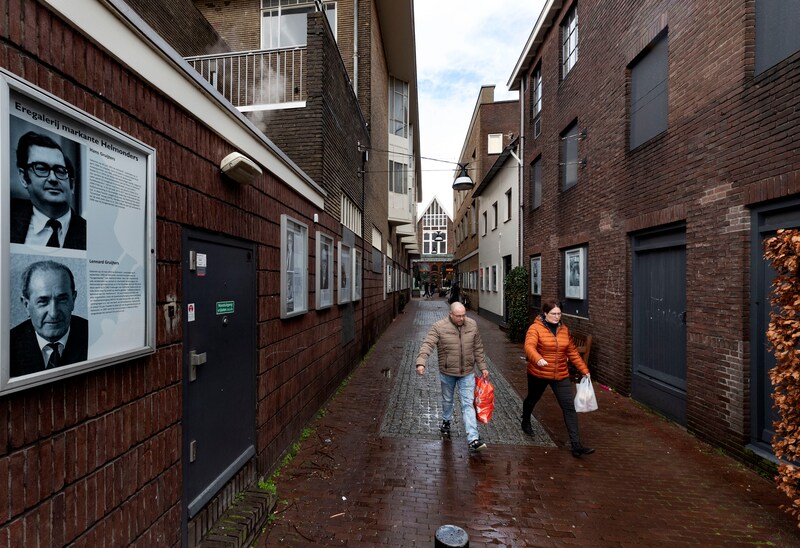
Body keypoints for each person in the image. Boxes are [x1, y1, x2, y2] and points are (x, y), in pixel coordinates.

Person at [521, 298, 594, 458]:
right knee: (532, 399)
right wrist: (538, 358)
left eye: (559, 314)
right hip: (539, 372)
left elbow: (572, 352)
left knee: (569, 407)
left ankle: (576, 445)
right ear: (545, 313)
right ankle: (525, 420)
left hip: (560, 374)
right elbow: (529, 346)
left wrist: (584, 370)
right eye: (553, 314)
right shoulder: (535, 328)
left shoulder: (564, 330)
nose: (557, 317)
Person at [416, 302, 489, 452]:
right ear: (451, 314)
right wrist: (421, 362)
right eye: (458, 316)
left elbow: (478, 348)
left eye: (464, 315)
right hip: (447, 372)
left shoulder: (472, 325)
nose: (462, 318)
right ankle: (446, 421)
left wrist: (483, 367)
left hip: (467, 372)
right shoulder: (439, 326)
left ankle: (473, 439)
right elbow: (428, 344)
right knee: (447, 400)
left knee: (468, 404)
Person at [10, 260, 88, 377]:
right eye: (43, 301)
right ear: (26, 305)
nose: (53, 313)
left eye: (62, 299)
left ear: (73, 300)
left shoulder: (94, 334)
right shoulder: (9, 345)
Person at [10, 131, 86, 250]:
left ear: (72, 185)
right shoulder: (7, 217)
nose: (53, 178)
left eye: (60, 171)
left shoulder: (89, 233)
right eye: (41, 168)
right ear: (23, 177)